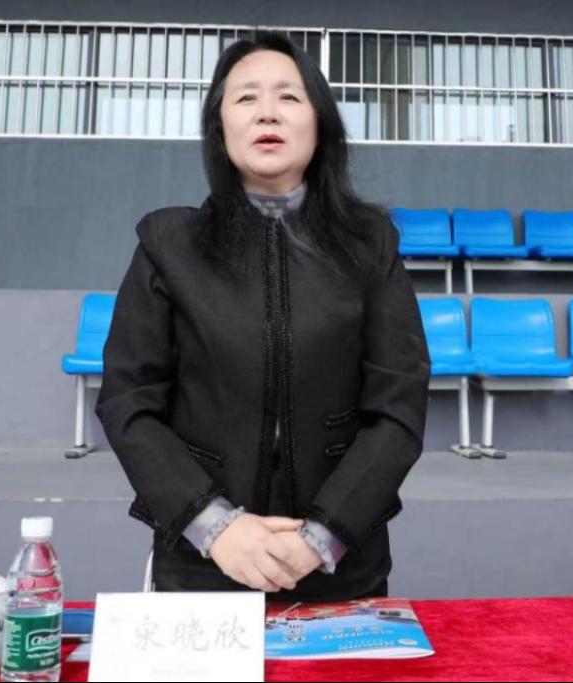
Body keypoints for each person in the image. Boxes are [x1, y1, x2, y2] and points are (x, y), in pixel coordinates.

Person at [95, 30, 430, 601]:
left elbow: (398, 407)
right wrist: (217, 526)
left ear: (320, 123)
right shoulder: (168, 244)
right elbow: (129, 402)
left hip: (340, 563)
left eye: (289, 96)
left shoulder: (370, 244)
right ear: (220, 125)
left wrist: (320, 537)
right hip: (204, 563)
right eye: (246, 97)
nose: (267, 111)